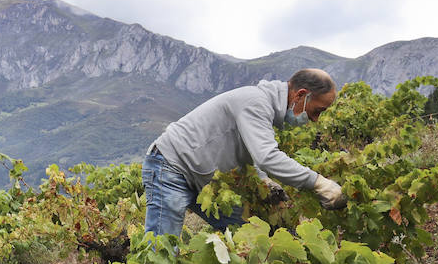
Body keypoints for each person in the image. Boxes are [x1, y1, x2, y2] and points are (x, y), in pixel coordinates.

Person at [142, 68, 348, 238]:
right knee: (162, 250)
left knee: (248, 234)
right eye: (318, 110)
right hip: (170, 167)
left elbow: (250, 155)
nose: (315, 119)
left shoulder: (264, 108)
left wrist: (264, 182)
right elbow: (267, 157)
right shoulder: (257, 102)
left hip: (203, 178)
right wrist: (319, 182)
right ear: (301, 94)